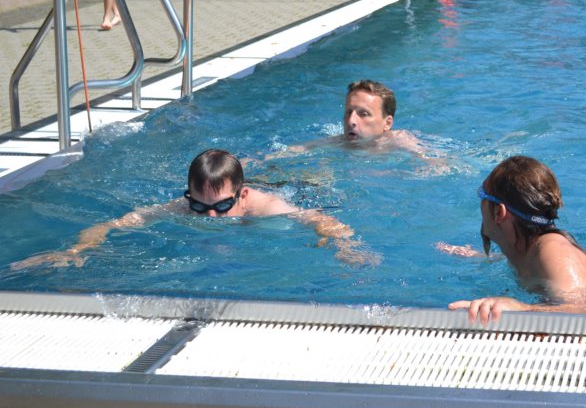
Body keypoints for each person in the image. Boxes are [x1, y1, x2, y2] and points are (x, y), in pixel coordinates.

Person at [11, 149, 374, 270]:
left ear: (242, 196)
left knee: (313, 184)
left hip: (298, 188)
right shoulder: (183, 207)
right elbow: (115, 223)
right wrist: (76, 249)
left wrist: (344, 244)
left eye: (222, 206)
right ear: (188, 197)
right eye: (200, 205)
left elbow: (321, 219)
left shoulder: (266, 207)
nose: (211, 217)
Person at [438, 156, 586, 324]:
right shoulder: (526, 249)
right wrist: (479, 256)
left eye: (482, 196)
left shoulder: (555, 252)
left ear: (499, 212)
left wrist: (522, 308)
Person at [265, 80, 444, 171]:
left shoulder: (399, 141)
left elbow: (435, 161)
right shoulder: (339, 142)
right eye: (349, 112)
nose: (351, 120)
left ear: (387, 123)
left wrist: (431, 165)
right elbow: (297, 150)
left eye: (363, 114)